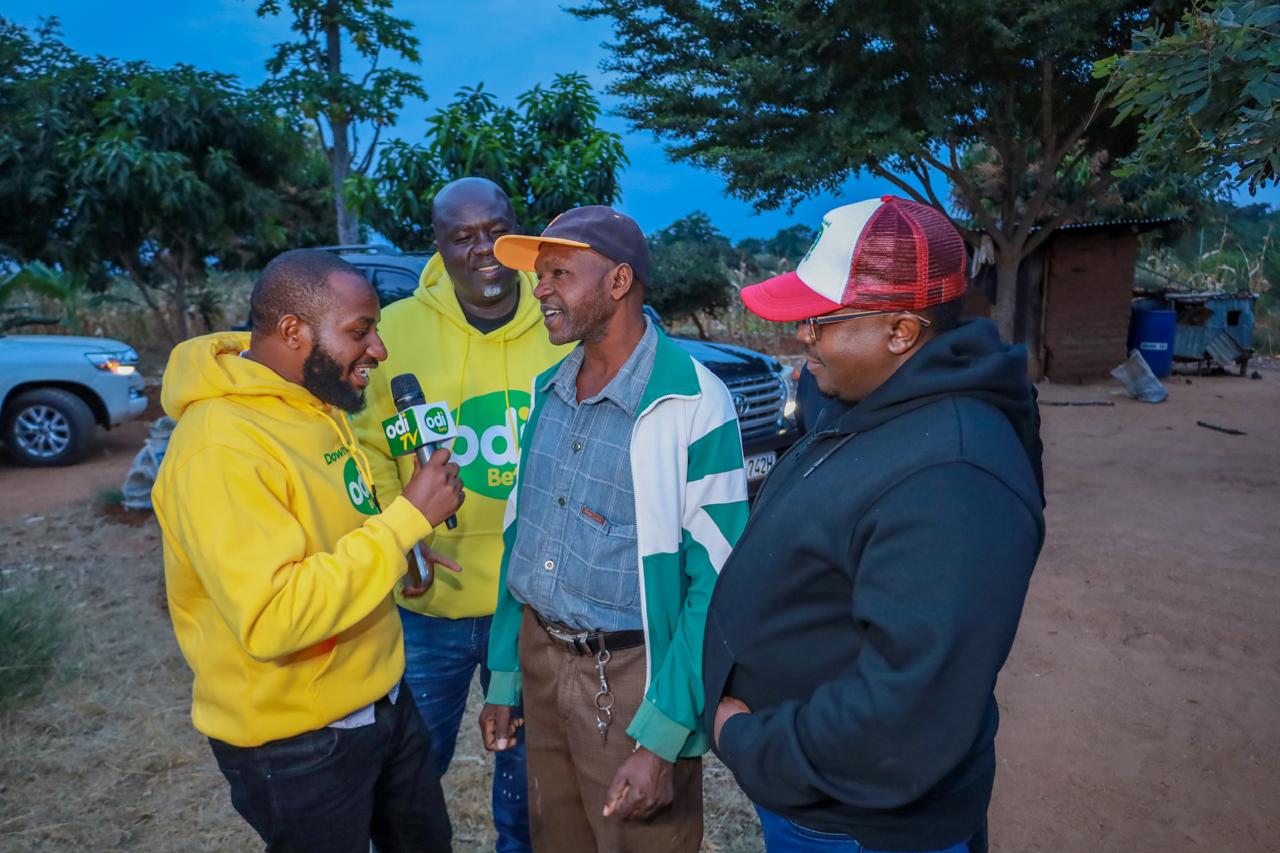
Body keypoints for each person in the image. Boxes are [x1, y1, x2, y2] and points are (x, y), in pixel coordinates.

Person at [703, 196, 1046, 853]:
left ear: (901, 331)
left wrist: (748, 740)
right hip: (819, 802)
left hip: (862, 827)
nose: (803, 335)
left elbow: (904, 717)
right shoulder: (873, 399)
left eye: (821, 320)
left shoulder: (954, 474)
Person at [152, 249, 464, 853]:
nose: (380, 349)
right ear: (293, 331)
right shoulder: (219, 449)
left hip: (384, 702)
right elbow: (275, 617)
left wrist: (399, 557)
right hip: (298, 742)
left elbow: (331, 533)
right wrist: (403, 522)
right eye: (360, 331)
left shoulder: (314, 400)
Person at [478, 206, 748, 852]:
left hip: (634, 677)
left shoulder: (692, 402)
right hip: (543, 664)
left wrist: (662, 734)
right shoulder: (549, 391)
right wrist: (507, 674)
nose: (539, 289)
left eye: (559, 273)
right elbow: (524, 540)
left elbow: (715, 584)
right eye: (540, 275)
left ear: (619, 282)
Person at [353, 177, 569, 852]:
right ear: (438, 246)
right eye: (462, 236)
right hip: (430, 609)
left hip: (537, 606)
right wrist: (403, 546)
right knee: (408, 781)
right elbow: (368, 454)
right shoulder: (396, 335)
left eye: (495, 231)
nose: (484, 251)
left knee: (531, 788)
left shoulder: (564, 323)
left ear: (517, 233)